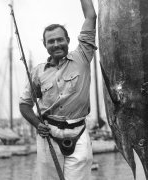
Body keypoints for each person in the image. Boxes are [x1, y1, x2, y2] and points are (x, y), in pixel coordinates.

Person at [19, 0, 97, 179]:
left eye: (60, 39)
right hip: (48, 136)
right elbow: (24, 104)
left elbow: (91, 16)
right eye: (51, 41)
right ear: (45, 45)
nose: (56, 44)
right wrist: (37, 124)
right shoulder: (37, 71)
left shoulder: (83, 56)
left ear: (68, 40)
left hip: (79, 134)